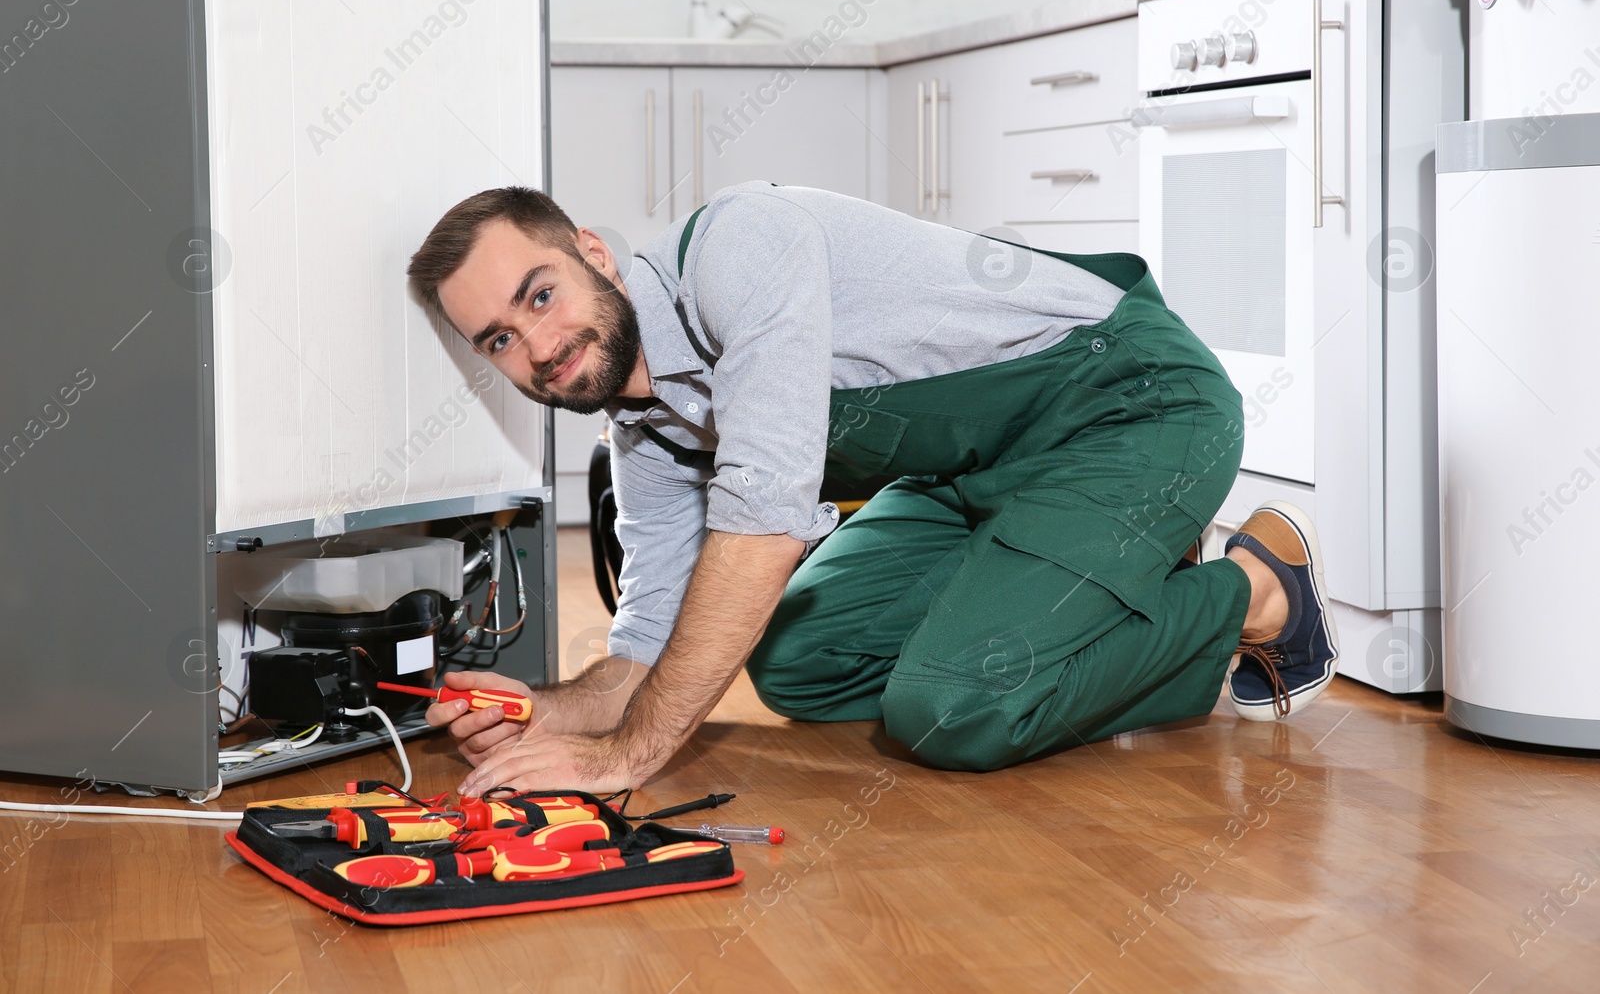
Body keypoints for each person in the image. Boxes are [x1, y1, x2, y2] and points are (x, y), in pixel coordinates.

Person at [405, 182, 1339, 796]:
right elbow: (648, 642)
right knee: (801, 662)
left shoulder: (738, 250)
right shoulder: (645, 428)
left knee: (951, 707)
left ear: (594, 254)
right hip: (981, 474)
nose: (538, 348)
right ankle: (1088, 575)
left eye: (539, 295)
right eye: (498, 340)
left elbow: (765, 532)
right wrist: (542, 710)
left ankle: (1253, 591)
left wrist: (625, 756)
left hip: (1131, 405)